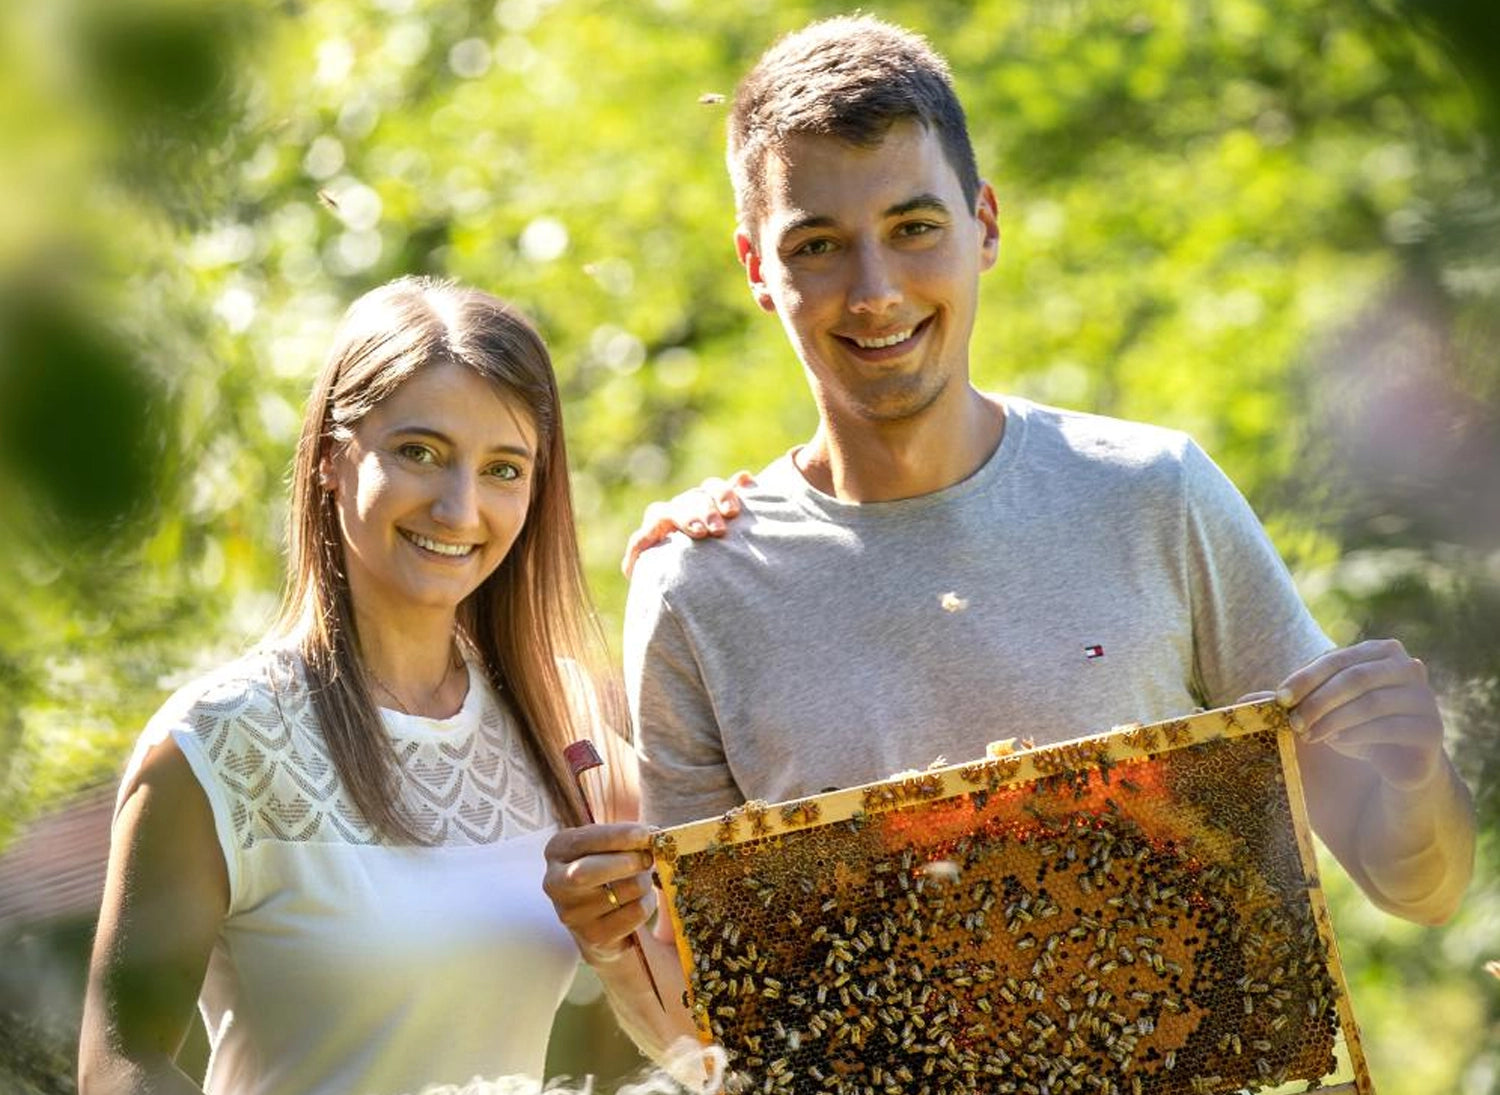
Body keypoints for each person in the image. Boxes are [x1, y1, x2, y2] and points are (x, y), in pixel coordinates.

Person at [619, 14, 1474, 928]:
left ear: (983, 225)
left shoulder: (1156, 494)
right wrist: (610, 930)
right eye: (817, 245)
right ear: (756, 266)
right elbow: (697, 968)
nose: (875, 292)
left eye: (914, 227)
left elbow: (1416, 885)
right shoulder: (697, 590)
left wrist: (1415, 769)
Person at [78, 277, 686, 1095]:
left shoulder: (563, 723)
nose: (459, 507)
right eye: (419, 453)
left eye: (503, 468)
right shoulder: (216, 742)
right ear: (331, 457)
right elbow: (119, 1069)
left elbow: (714, 1015)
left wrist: (726, 543)